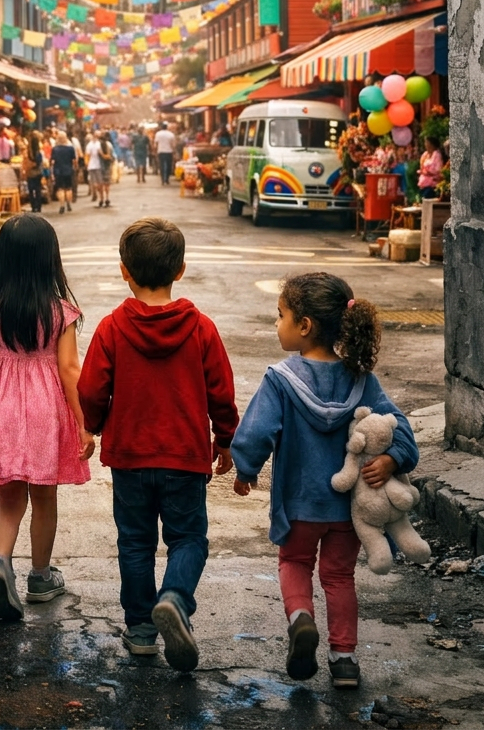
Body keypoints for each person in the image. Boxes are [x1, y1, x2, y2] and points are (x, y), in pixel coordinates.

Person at [230, 272, 419, 691]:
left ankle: (301, 621)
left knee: (295, 563)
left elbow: (257, 431)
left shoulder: (280, 379)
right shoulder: (361, 380)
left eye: (280, 315)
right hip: (348, 513)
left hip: (299, 506)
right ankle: (345, 660)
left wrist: (245, 470)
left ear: (305, 326)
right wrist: (391, 459)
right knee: (339, 578)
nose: (275, 323)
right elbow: (400, 428)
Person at [78, 217, 238, 672]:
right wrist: (225, 440)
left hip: (129, 457)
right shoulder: (201, 327)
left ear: (124, 270)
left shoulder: (112, 327)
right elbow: (221, 392)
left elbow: (91, 388)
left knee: (135, 542)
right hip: (186, 458)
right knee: (188, 538)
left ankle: (142, 631)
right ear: (181, 270)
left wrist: (90, 426)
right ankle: (175, 598)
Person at [0, 214, 94, 621]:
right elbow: (71, 371)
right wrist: (85, 422)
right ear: (48, 260)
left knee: (9, 498)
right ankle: (40, 577)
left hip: (0, 410)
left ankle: (0, 562)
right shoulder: (61, 313)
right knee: (44, 495)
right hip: (46, 412)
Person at [51, 131, 76, 215]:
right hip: (68, 170)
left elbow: (52, 161)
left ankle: (62, 205)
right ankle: (68, 203)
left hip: (58, 170)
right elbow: (74, 160)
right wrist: (74, 167)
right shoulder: (70, 148)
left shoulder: (55, 149)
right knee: (68, 188)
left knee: (60, 189)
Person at [22, 128, 45, 213]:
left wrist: (27, 168)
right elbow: (39, 162)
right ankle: (38, 206)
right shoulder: (38, 152)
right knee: (38, 189)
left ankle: (33, 206)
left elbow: (26, 162)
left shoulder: (28, 152)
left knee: (31, 190)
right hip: (38, 173)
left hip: (30, 173)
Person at [96, 131, 115, 208]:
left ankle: (101, 199)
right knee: (107, 184)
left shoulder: (97, 145)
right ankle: (107, 198)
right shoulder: (109, 145)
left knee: (100, 184)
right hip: (107, 166)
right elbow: (112, 155)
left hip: (98, 166)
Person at [85, 131, 103, 203]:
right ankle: (100, 195)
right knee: (100, 182)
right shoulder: (100, 144)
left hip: (91, 165)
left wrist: (87, 164)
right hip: (99, 165)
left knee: (93, 181)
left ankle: (95, 193)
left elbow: (87, 155)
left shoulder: (89, 145)